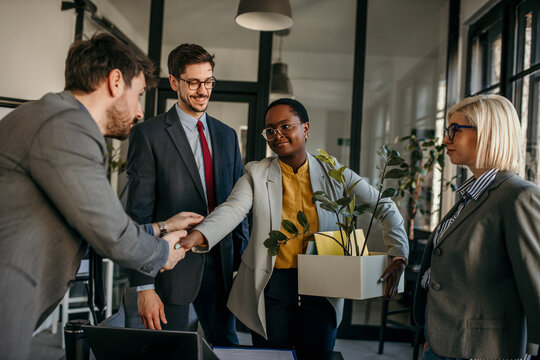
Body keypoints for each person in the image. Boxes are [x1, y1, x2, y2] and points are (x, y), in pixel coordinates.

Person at [0, 33, 203, 360]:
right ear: (115, 81)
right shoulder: (66, 125)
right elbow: (110, 233)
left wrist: (162, 226)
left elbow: (95, 224)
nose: (139, 112)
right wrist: (162, 251)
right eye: (138, 96)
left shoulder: (57, 118)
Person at [180, 98, 409, 351]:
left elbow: (384, 206)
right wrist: (198, 236)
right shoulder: (256, 172)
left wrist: (399, 255)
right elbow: (233, 209)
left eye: (285, 126)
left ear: (306, 129)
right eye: (270, 130)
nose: (277, 135)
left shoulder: (334, 172)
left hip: (324, 285)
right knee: (272, 357)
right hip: (272, 287)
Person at [125, 43, 249, 345]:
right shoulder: (149, 135)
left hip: (221, 268)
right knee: (171, 352)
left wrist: (241, 264)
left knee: (226, 348)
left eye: (208, 81)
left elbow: (238, 205)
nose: (202, 90)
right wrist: (144, 287)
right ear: (174, 82)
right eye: (193, 82)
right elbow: (138, 214)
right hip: (170, 268)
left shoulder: (227, 135)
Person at [413, 94, 540, 360]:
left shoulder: (518, 196)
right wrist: (434, 337)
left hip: (482, 349)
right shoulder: (471, 196)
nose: (446, 139)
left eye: (454, 130)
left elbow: (536, 285)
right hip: (446, 341)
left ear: (489, 134)